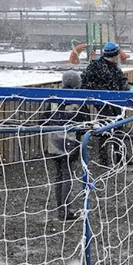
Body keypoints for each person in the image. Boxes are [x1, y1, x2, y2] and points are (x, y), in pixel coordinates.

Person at [44, 71, 91, 221]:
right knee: (67, 175)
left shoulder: (54, 99)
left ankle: (61, 208)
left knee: (58, 176)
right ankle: (65, 210)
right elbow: (86, 121)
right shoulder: (78, 100)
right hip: (70, 143)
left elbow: (43, 119)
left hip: (54, 142)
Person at [81, 41, 129, 165]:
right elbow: (121, 82)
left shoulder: (98, 65)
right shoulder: (106, 67)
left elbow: (84, 82)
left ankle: (110, 157)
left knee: (109, 128)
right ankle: (115, 157)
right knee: (113, 128)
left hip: (108, 102)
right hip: (108, 102)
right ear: (115, 55)